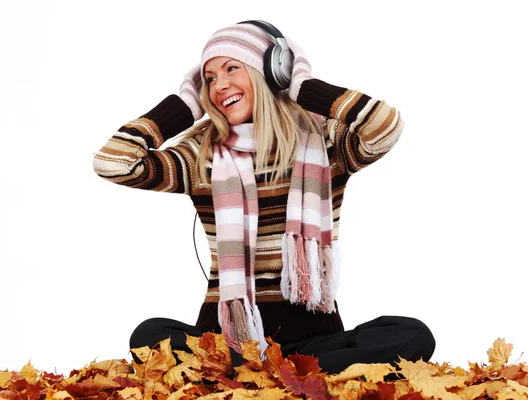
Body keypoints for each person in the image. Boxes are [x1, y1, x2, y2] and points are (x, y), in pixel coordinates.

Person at [93, 21, 435, 374]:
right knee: (148, 335)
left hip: (312, 343)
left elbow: (385, 126)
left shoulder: (326, 143)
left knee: (412, 334)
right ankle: (275, 376)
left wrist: (302, 86)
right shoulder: (201, 154)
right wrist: (185, 106)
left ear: (272, 72)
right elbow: (115, 162)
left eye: (231, 68)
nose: (219, 85)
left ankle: (265, 377)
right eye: (209, 79)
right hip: (229, 344)